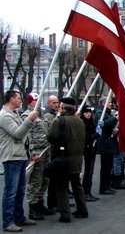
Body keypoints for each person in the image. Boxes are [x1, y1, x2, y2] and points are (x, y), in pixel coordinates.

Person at [1, 90, 38, 232]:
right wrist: (29, 120)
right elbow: (17, 134)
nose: (20, 100)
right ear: (11, 99)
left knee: (20, 190)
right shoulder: (4, 116)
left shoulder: (14, 114)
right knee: (10, 191)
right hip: (11, 157)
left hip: (20, 155)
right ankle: (8, 221)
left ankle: (19, 217)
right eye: (18, 98)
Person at [47, 97, 88, 223]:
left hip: (63, 158)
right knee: (77, 185)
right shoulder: (80, 121)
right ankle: (82, 209)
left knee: (61, 186)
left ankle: (65, 214)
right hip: (77, 157)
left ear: (63, 108)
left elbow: (51, 136)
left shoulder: (60, 121)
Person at [23, 92, 55, 221]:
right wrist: (32, 153)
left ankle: (40, 203)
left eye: (39, 99)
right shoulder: (27, 115)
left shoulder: (42, 115)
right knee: (35, 180)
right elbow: (27, 136)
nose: (38, 102)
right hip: (37, 151)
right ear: (30, 102)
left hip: (46, 150)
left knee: (45, 179)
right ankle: (33, 207)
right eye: (35, 100)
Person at [80, 105, 99, 202]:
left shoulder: (91, 122)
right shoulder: (82, 122)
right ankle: (85, 192)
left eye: (89, 112)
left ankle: (88, 191)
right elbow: (86, 137)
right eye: (86, 112)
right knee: (87, 171)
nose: (88, 114)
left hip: (92, 148)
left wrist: (97, 133)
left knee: (90, 171)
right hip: (85, 148)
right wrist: (95, 135)